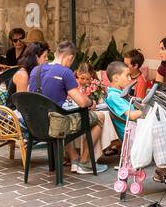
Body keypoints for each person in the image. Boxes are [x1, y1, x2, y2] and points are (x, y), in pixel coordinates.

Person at [28, 40, 107, 174]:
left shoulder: (36, 69)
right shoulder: (65, 72)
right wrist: (91, 103)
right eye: (72, 61)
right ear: (70, 58)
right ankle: (84, 162)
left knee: (62, 115)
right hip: (55, 125)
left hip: (35, 124)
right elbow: (81, 102)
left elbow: (29, 93)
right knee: (100, 117)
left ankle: (74, 159)